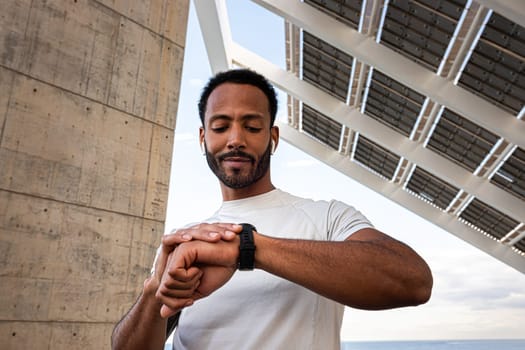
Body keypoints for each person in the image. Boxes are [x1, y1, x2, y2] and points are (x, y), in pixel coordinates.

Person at [111, 69, 433, 350]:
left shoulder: (328, 218)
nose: (235, 139)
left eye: (251, 127)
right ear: (202, 137)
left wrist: (248, 249)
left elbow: (413, 281)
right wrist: (154, 292)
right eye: (221, 127)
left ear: (273, 137)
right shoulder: (189, 244)